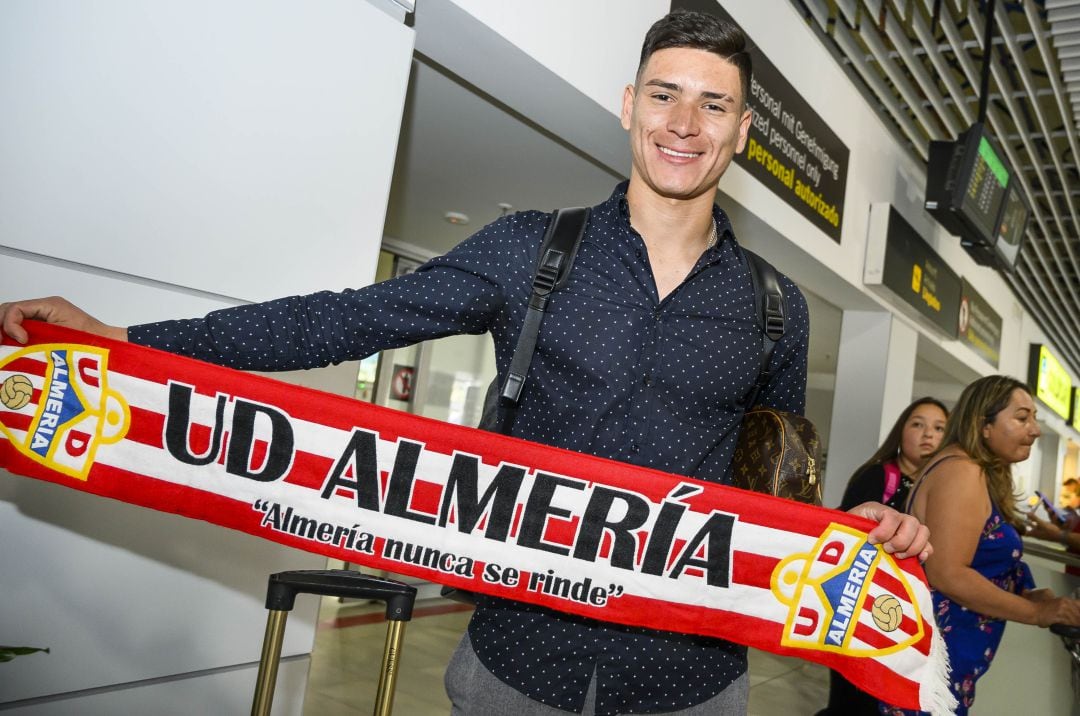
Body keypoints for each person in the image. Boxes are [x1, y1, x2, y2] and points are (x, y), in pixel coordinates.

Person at [0, 10, 930, 715]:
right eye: (665, 93)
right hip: (514, 666)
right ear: (629, 107)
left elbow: (774, 489)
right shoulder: (532, 249)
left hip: (690, 681)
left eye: (714, 104)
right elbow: (340, 322)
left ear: (741, 133)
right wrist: (131, 345)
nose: (685, 122)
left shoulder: (775, 305)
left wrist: (856, 533)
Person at [880, 375, 1080, 716]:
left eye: (1033, 418)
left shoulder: (972, 469)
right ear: (983, 425)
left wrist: (1026, 593)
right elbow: (948, 574)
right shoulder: (962, 471)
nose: (1034, 430)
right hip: (932, 662)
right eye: (1021, 418)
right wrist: (1037, 612)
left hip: (945, 665)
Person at [818, 397, 948, 715]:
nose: (928, 434)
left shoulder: (943, 486)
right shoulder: (877, 476)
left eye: (939, 427)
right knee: (855, 700)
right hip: (863, 608)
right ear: (900, 432)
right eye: (917, 424)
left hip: (908, 612)